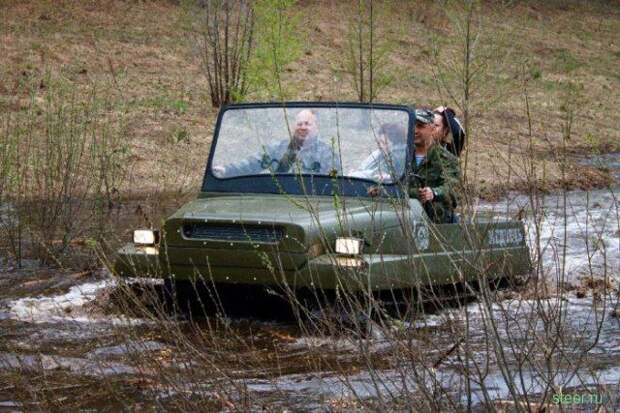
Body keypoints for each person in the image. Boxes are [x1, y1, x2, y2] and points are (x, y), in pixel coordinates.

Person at [213, 109, 341, 177]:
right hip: (279, 200)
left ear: (316, 127)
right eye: (299, 124)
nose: (302, 127)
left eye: (307, 124)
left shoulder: (327, 154)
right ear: (293, 127)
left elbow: (334, 185)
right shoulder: (279, 148)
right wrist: (227, 170)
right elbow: (253, 163)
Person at [410, 108, 460, 223]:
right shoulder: (402, 155)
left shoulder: (445, 159)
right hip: (404, 215)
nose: (415, 130)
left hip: (434, 221)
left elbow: (452, 189)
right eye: (413, 125)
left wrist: (433, 192)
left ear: (432, 129)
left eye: (420, 126)